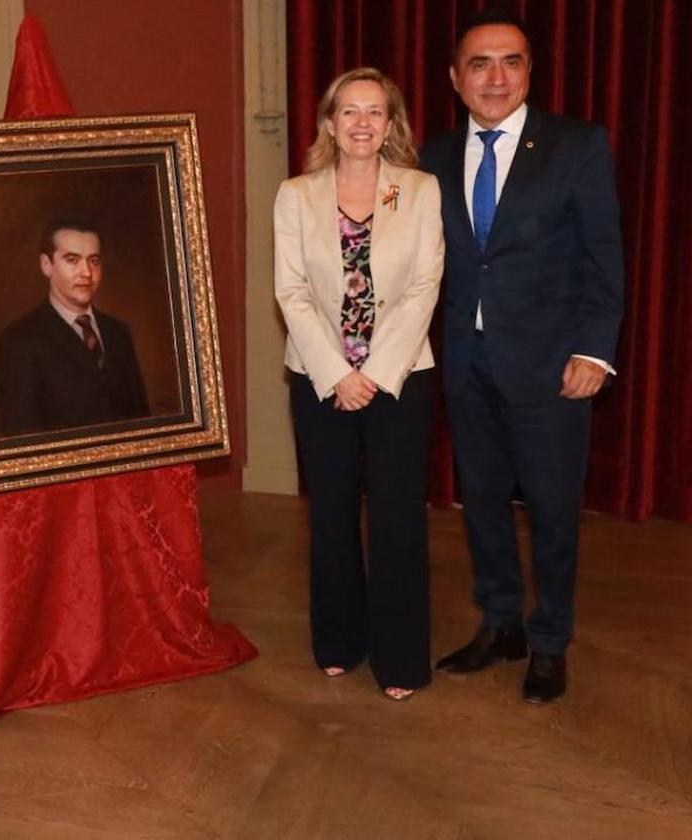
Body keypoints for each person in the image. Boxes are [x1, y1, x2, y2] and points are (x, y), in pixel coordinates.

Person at [421, 8, 624, 703]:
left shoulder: (576, 145)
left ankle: (549, 641)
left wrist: (595, 351)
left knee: (552, 509)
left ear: (530, 72)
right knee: (480, 502)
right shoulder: (434, 157)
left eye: (510, 61)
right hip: (465, 363)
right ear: (456, 78)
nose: (496, 76)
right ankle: (501, 622)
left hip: (549, 365)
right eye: (480, 63)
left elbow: (604, 258)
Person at [274, 67, 443, 701]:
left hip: (400, 380)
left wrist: (372, 375)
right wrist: (337, 375)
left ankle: (400, 658)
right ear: (329, 123)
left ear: (391, 124)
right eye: (350, 112)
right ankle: (339, 639)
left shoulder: (419, 190)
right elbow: (290, 291)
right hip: (319, 380)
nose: (363, 123)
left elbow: (426, 286)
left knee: (399, 517)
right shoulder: (296, 194)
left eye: (376, 112)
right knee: (333, 512)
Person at [0, 219, 150, 436]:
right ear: (46, 265)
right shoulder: (19, 341)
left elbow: (142, 421)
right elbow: (22, 437)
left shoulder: (119, 332)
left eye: (94, 261)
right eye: (72, 260)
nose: (86, 273)